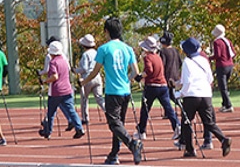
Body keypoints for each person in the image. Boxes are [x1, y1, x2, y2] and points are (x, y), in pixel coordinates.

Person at [81, 17, 143, 165]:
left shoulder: (103, 49)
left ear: (107, 31)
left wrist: (83, 81)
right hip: (125, 91)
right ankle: (113, 154)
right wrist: (126, 80)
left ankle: (132, 144)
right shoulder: (128, 48)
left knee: (114, 124)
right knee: (118, 124)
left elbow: (95, 71)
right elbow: (135, 71)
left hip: (112, 92)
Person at [177, 37, 231, 157]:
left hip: (191, 95)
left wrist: (180, 93)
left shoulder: (187, 62)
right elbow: (210, 78)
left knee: (186, 122)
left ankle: (190, 149)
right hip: (206, 94)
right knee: (208, 122)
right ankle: (223, 139)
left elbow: (187, 82)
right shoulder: (204, 60)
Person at [134, 36, 180, 141]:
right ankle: (177, 126)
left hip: (151, 86)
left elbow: (149, 70)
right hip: (163, 86)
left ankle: (142, 131)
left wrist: (140, 76)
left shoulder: (148, 57)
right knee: (168, 108)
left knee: (145, 110)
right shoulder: (158, 57)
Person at [38, 41, 84, 139]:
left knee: (51, 113)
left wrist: (45, 80)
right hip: (67, 89)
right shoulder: (64, 60)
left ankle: (48, 131)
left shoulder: (53, 62)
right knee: (71, 110)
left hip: (56, 91)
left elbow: (55, 76)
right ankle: (79, 128)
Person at [39, 35, 74, 132]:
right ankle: (72, 121)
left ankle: (47, 125)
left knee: (54, 105)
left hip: (55, 84)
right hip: (66, 82)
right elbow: (68, 68)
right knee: (65, 104)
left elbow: (47, 70)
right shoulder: (63, 55)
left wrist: (41, 74)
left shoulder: (50, 56)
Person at [72, 34, 105, 124]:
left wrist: (75, 70)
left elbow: (84, 68)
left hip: (87, 78)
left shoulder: (85, 54)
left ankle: (85, 118)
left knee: (84, 99)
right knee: (99, 98)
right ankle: (109, 113)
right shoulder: (96, 52)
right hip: (97, 76)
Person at [209, 24, 236, 113]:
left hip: (222, 66)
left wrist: (208, 58)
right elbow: (233, 53)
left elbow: (218, 55)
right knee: (224, 86)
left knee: (222, 87)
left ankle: (228, 105)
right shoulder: (227, 41)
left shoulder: (217, 42)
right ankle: (224, 103)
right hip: (230, 65)